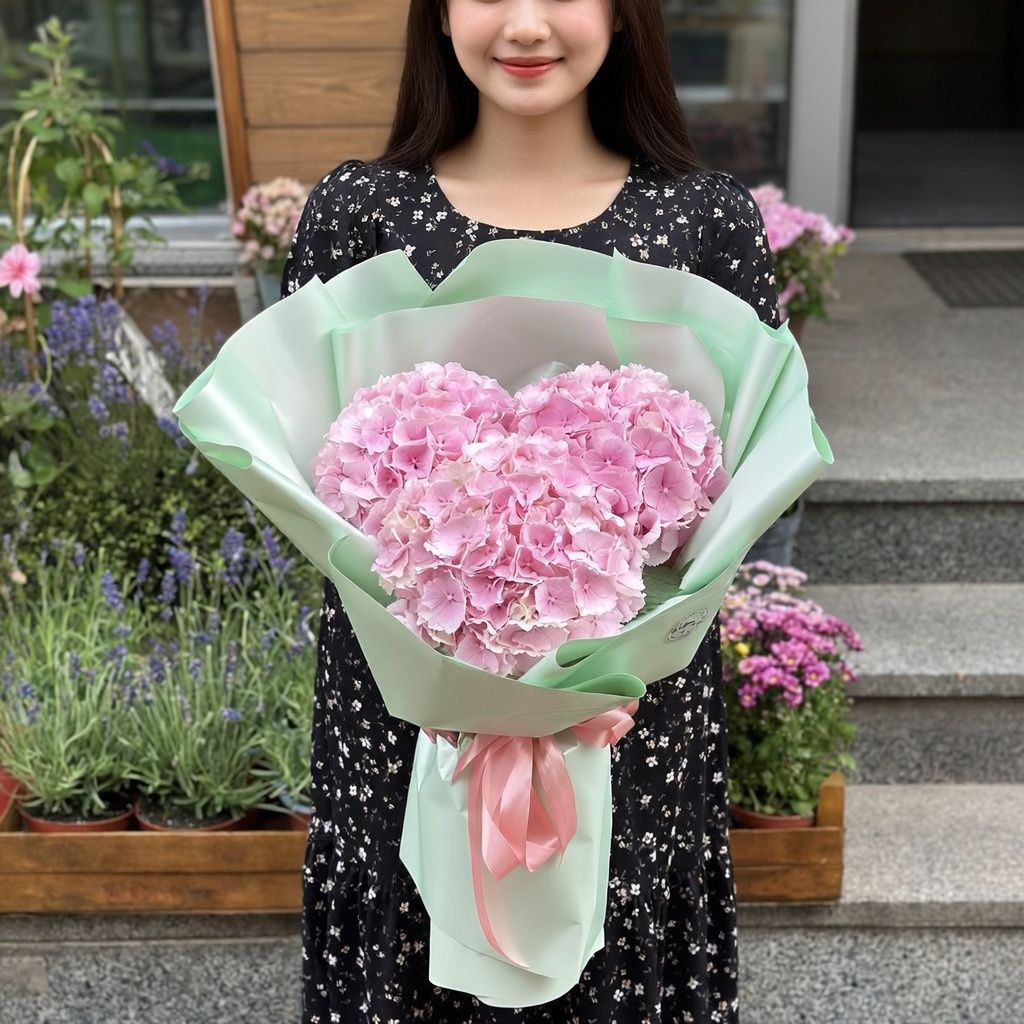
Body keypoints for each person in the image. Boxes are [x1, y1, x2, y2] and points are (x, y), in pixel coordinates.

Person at [280, 2, 781, 1021]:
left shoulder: (703, 219)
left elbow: (743, 467)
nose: (524, 24)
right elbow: (306, 463)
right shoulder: (359, 213)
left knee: (617, 946)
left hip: (629, 713)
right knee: (412, 940)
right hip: (409, 713)